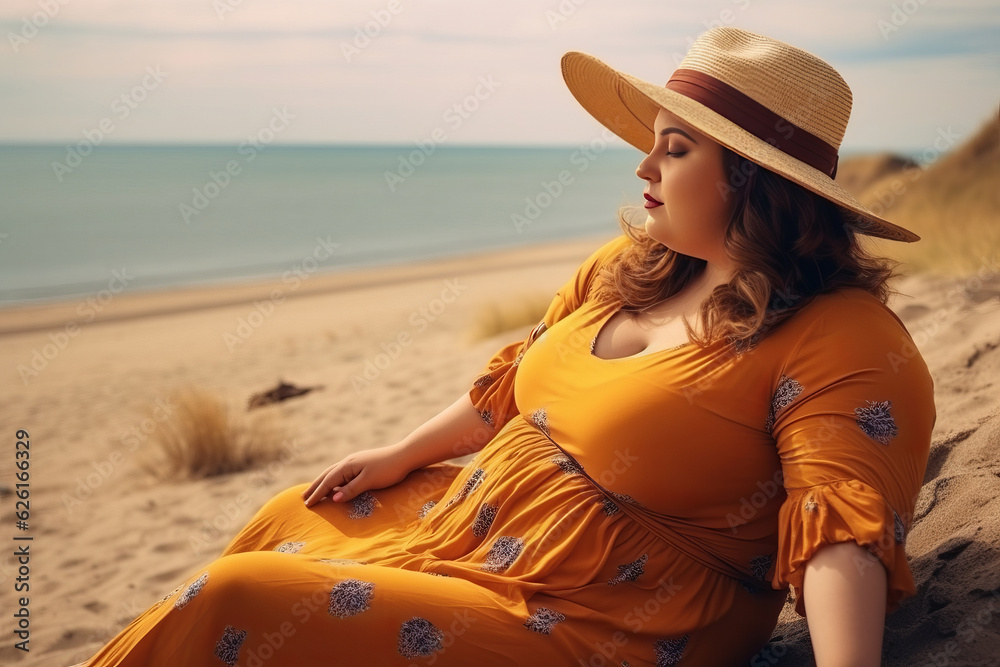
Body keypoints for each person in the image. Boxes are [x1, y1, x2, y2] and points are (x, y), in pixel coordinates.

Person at [78, 26, 935, 666]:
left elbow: (839, 533)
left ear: (754, 182)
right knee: (296, 512)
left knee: (240, 594)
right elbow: (508, 386)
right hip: (479, 528)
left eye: (674, 150)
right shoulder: (632, 265)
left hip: (614, 612)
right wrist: (402, 450)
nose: (643, 170)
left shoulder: (840, 333)